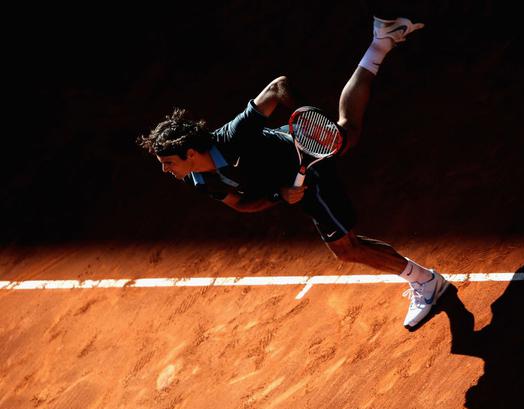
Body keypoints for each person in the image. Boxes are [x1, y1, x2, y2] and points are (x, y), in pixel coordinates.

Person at [138, 16, 449, 328]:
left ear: (190, 153)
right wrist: (280, 195)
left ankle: (426, 282)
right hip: (292, 181)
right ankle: (381, 42)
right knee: (348, 133)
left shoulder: (233, 136)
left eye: (168, 162)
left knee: (347, 249)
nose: (166, 170)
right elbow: (240, 204)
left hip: (308, 164)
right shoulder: (201, 179)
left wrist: (303, 117)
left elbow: (277, 87)